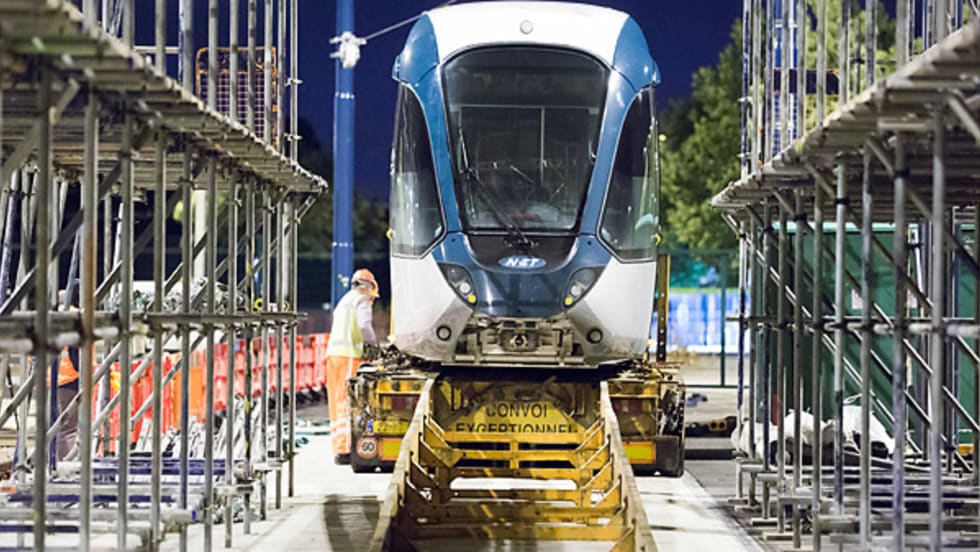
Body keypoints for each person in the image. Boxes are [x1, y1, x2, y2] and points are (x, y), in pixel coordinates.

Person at [325, 268, 379, 464]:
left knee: (336, 400)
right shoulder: (361, 300)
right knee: (347, 401)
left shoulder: (344, 301)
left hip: (333, 356)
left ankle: (339, 447)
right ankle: (345, 450)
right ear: (369, 287)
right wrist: (373, 345)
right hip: (349, 356)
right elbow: (364, 326)